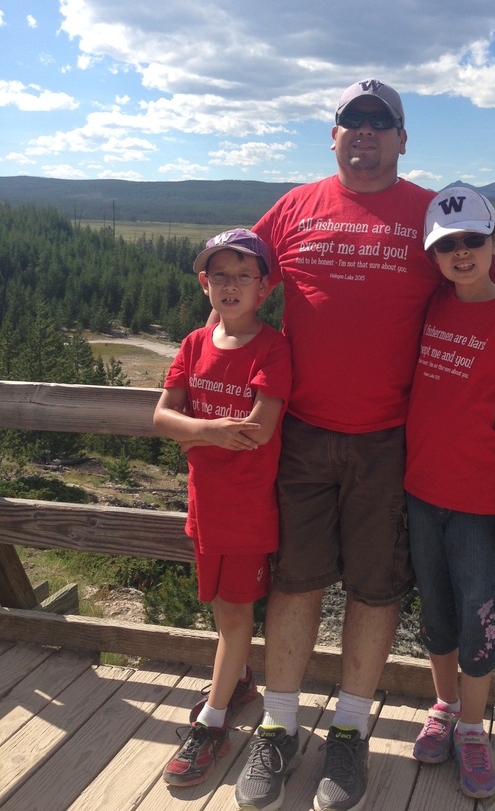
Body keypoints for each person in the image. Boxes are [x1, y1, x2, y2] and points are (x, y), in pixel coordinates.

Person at [222, 80, 495, 811]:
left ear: (402, 139)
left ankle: (350, 732)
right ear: (332, 135)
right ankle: (279, 727)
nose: (365, 131)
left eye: (380, 121)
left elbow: (482, 296)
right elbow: (237, 286)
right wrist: (209, 367)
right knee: (295, 580)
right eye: (351, 120)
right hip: (301, 433)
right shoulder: (294, 208)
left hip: (391, 441)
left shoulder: (431, 213)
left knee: (377, 588)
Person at [404, 187, 495, 800]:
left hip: (479, 502)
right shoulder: (433, 302)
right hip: (419, 489)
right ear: (433, 256)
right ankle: (444, 705)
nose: (461, 253)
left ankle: (473, 728)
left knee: (479, 615)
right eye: (447, 245)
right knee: (436, 610)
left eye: (472, 240)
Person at [155, 228, 291, 788]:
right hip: (204, 505)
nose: (230, 285)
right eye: (219, 276)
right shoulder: (194, 344)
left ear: (264, 287)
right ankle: (237, 684)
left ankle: (213, 724)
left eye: (243, 276)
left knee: (235, 616)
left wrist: (193, 432)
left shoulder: (272, 348)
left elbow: (259, 430)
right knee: (220, 609)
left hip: (247, 511)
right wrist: (211, 431)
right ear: (203, 283)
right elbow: (162, 417)